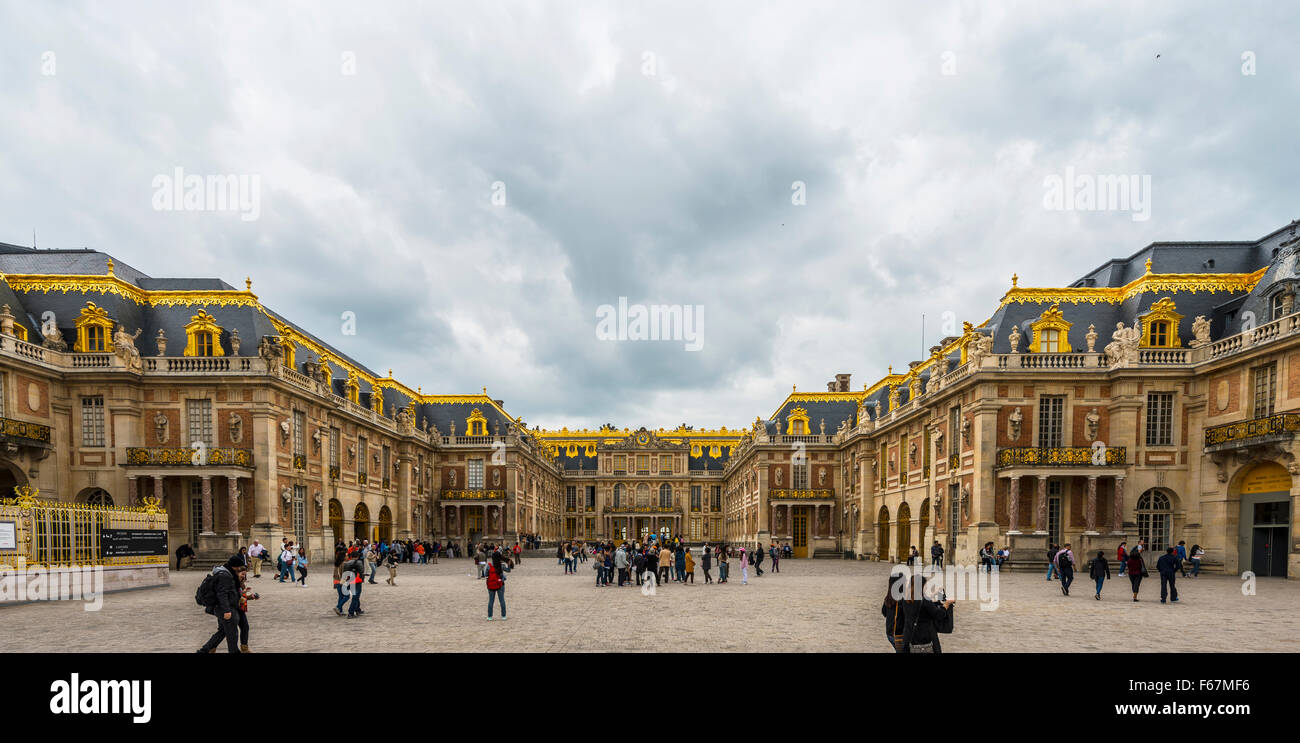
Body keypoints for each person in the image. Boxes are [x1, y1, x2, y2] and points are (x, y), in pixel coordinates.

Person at [197, 555, 244, 653]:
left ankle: (205, 650)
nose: (239, 569)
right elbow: (222, 594)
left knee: (223, 631)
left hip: (223, 607)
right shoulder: (224, 575)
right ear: (234, 566)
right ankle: (234, 651)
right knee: (232, 633)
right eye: (239, 566)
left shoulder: (225, 573)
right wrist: (227, 610)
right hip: (225, 609)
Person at [898, 574, 956, 653]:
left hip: (909, 635)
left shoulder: (905, 598)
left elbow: (920, 604)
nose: (926, 587)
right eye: (925, 585)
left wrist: (933, 595)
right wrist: (946, 604)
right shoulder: (925, 601)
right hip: (923, 637)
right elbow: (938, 614)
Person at [235, 567, 258, 653]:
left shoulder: (241, 584)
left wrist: (251, 597)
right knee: (224, 631)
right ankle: (211, 647)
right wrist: (242, 595)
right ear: (237, 573)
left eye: (245, 574)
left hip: (241, 608)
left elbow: (242, 596)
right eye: (242, 574)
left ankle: (244, 648)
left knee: (245, 627)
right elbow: (234, 596)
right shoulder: (233, 583)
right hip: (233, 608)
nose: (244, 576)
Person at [486, 550, 509, 620]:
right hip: (500, 584)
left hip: (491, 585)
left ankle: (490, 616)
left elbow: (485, 574)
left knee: (491, 601)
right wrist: (509, 564)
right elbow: (508, 570)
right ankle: (503, 616)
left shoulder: (489, 565)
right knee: (502, 600)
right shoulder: (501, 565)